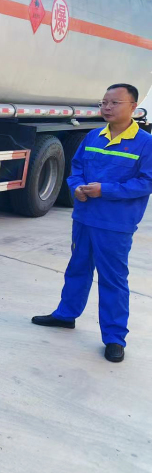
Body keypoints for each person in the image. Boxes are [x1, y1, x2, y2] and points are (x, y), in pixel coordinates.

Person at [32, 84, 152, 363]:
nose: (107, 107)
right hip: (85, 217)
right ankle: (66, 315)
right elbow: (77, 169)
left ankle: (114, 337)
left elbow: (147, 182)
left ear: (133, 107)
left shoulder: (145, 143)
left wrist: (104, 190)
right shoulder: (93, 136)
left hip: (115, 224)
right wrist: (75, 187)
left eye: (115, 103)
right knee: (77, 268)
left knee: (113, 279)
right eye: (104, 102)